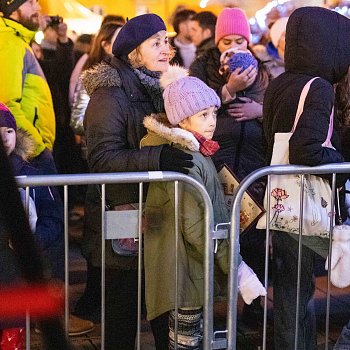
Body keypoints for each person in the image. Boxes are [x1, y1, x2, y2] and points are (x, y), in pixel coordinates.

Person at [82, 13, 193, 349]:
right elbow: (102, 158)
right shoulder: (110, 94)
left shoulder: (157, 87)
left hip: (156, 217)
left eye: (167, 41)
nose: (166, 49)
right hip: (122, 218)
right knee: (122, 315)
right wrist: (158, 159)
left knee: (163, 310)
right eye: (156, 42)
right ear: (134, 52)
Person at [141, 65, 266, 349]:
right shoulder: (187, 157)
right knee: (185, 342)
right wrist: (235, 268)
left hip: (186, 269)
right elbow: (197, 226)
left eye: (213, 113)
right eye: (203, 115)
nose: (212, 121)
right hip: (184, 272)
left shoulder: (195, 150)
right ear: (182, 121)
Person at [262, 7, 350, 350]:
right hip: (308, 203)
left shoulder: (282, 82)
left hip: (283, 200)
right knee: (299, 290)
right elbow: (306, 150)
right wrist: (340, 162)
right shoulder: (319, 88)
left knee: (291, 289)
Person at [190, 7, 270, 325]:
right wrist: (228, 91)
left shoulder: (261, 70)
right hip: (216, 166)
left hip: (253, 166)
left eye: (240, 40)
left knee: (253, 237)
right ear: (217, 42)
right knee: (217, 237)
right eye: (227, 41)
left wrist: (259, 111)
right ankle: (216, 305)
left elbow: (277, 111)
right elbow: (194, 106)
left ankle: (253, 304)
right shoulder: (202, 66)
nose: (234, 47)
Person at [0, 102, 95, 337]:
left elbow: (52, 216)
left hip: (25, 263)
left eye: (9, 130)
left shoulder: (34, 175)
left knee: (14, 329)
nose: (4, 137)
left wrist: (33, 240)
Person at [69, 21, 123, 319]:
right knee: (98, 230)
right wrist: (100, 125)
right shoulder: (94, 75)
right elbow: (77, 119)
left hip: (120, 168)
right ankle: (92, 299)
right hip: (98, 162)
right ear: (106, 44)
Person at [0, 0, 56, 176]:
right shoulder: (9, 41)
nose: (38, 8)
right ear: (13, 10)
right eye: (30, 2)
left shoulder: (16, 40)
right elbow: (7, 103)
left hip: (27, 150)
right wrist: (38, 147)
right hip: (27, 153)